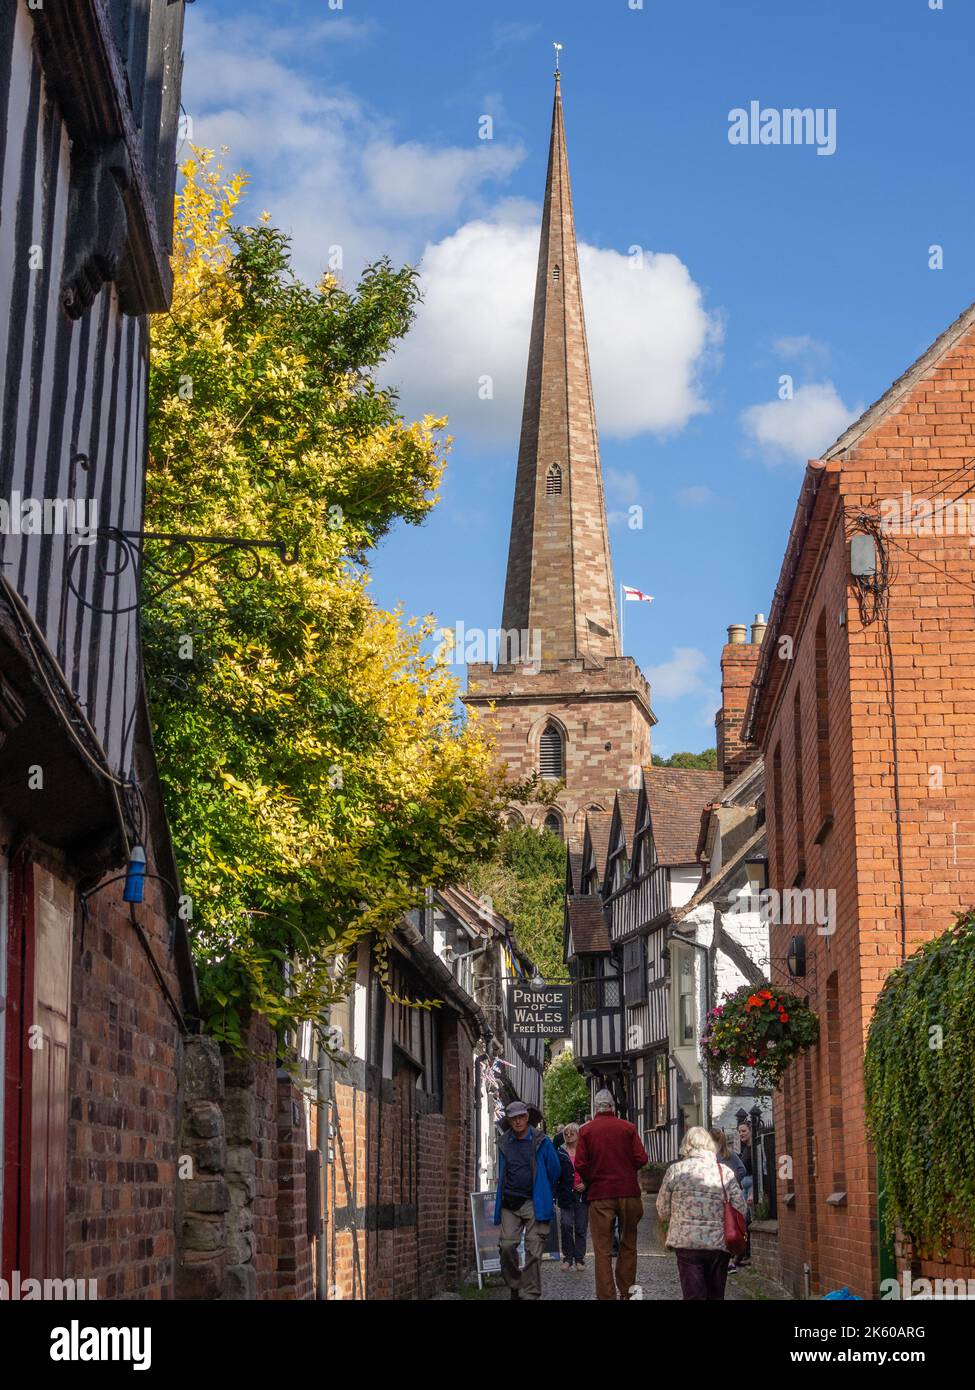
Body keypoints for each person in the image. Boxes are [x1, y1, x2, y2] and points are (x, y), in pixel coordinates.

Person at [656, 1126, 747, 1301]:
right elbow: (740, 1208)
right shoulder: (724, 1173)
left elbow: (662, 1209)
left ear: (686, 1146)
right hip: (718, 1244)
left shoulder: (675, 1171)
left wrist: (677, 1217)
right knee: (715, 1295)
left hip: (687, 1243)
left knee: (693, 1295)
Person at [574, 1089, 648, 1301]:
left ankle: (607, 1296)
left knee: (602, 1249)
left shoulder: (586, 1132)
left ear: (595, 1108)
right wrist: (626, 1169)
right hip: (628, 1192)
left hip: (600, 1194)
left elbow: (580, 1164)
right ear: (613, 1107)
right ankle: (627, 1293)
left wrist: (592, 1178)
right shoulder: (628, 1128)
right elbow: (641, 1158)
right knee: (628, 1243)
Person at [493, 1100, 562, 1300]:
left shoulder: (542, 1141)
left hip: (534, 1202)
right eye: (513, 1118)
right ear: (509, 1120)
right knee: (506, 1246)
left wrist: (543, 1190)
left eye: (521, 1117)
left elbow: (554, 1170)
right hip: (510, 1203)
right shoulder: (505, 1142)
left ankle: (530, 1294)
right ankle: (516, 1284)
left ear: (527, 1117)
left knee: (534, 1249)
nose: (518, 1121)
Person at [557, 1122, 588, 1271]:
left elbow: (592, 1170)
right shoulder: (560, 1152)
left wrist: (586, 1183)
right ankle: (568, 1258)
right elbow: (555, 1173)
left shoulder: (585, 1152)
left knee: (581, 1227)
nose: (568, 1135)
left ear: (578, 1135)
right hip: (565, 1194)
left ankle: (579, 1259)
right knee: (566, 1225)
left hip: (582, 1194)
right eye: (566, 1133)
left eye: (572, 1133)